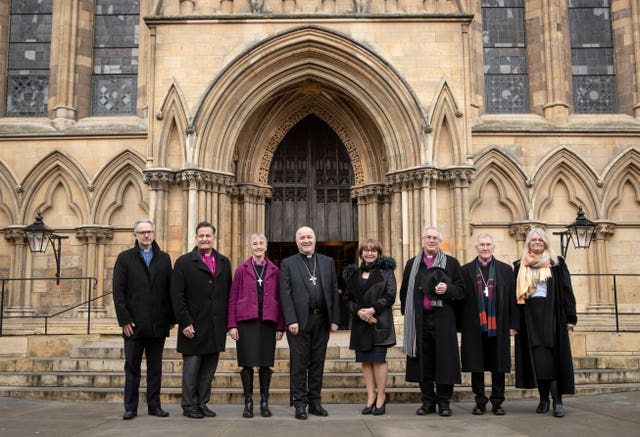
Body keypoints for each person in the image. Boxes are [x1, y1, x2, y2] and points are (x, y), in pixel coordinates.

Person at [400, 226, 465, 417]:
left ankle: (444, 402)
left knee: (444, 361)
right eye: (428, 237)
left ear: (440, 241)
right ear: (422, 240)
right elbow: (405, 292)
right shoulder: (412, 264)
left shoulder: (451, 263)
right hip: (420, 321)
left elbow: (462, 291)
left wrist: (449, 289)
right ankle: (428, 401)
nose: (431, 241)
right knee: (423, 362)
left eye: (435, 238)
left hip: (443, 319)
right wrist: (409, 315)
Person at [113, 218, 174, 420]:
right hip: (133, 325)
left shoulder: (164, 258)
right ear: (135, 235)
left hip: (157, 325)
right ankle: (130, 407)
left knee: (155, 368)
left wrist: (170, 319)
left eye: (149, 232)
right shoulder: (125, 258)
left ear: (153, 233)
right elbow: (118, 292)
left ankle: (154, 405)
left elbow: (170, 290)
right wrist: (124, 320)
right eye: (142, 232)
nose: (146, 235)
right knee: (132, 367)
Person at [171, 221, 232, 419]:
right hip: (193, 326)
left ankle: (202, 403)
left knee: (208, 370)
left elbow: (228, 294)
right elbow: (177, 296)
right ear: (196, 238)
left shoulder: (224, 262)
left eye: (208, 235)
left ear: (214, 238)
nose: (205, 239)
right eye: (201, 236)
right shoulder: (183, 262)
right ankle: (189, 405)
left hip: (215, 325)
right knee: (192, 369)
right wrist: (185, 322)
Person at [514, 227, 577, 418]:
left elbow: (567, 290)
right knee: (537, 359)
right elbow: (513, 297)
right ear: (528, 243)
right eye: (533, 240)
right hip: (529, 315)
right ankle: (543, 399)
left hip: (552, 314)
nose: (537, 243)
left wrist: (570, 317)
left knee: (551, 358)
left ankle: (558, 401)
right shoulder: (520, 265)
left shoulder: (556, 264)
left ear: (545, 242)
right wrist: (514, 323)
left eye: (540, 240)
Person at [279, 226, 340, 420]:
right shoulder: (288, 263)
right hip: (299, 322)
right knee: (299, 364)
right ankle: (300, 404)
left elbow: (333, 290)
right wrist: (291, 320)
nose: (306, 241)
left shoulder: (327, 262)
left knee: (317, 363)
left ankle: (315, 403)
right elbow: (285, 294)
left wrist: (335, 319)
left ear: (315, 239)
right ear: (297, 242)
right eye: (302, 238)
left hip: (321, 320)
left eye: (309, 237)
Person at [459, 233, 518, 415]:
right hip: (474, 326)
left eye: (488, 245)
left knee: (497, 365)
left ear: (493, 247)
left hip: (498, 325)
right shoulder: (466, 270)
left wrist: (513, 324)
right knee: (477, 366)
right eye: (482, 245)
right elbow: (461, 300)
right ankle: (480, 402)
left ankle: (498, 402)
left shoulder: (506, 270)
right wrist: (460, 326)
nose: (485, 248)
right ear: (476, 248)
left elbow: (512, 299)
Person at [228, 233, 285, 418]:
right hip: (246, 323)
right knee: (247, 364)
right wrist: (232, 325)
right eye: (255, 243)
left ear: (266, 247)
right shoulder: (241, 269)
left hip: (268, 322)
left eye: (261, 243)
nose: (258, 246)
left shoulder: (275, 270)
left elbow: (281, 299)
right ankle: (248, 403)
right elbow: (232, 298)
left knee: (265, 364)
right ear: (250, 246)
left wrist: (280, 326)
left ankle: (264, 402)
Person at [342, 239, 396, 416]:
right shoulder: (354, 274)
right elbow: (347, 298)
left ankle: (381, 397)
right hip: (361, 324)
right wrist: (359, 313)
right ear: (361, 253)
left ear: (379, 253)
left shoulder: (387, 272)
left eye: (373, 250)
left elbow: (390, 295)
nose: (370, 253)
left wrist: (372, 310)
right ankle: (370, 397)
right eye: (366, 250)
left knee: (378, 360)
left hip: (379, 322)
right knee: (365, 361)